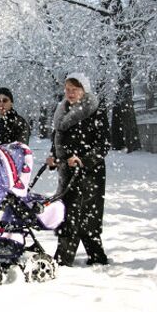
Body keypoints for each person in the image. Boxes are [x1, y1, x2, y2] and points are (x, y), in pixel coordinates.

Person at [46, 73, 110, 266]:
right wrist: (54, 158)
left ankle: (63, 261)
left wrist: (83, 160)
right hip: (67, 173)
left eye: (75, 89)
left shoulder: (95, 112)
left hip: (89, 175)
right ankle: (97, 257)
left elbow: (103, 145)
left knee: (76, 216)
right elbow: (58, 141)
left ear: (84, 90)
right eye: (68, 89)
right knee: (73, 215)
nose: (71, 93)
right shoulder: (62, 112)